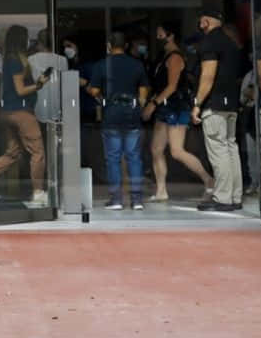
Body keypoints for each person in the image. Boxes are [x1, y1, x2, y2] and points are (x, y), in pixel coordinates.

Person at [193, 6, 261, 214]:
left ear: (206, 22)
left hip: (215, 104)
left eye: (201, 21)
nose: (200, 25)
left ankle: (223, 197)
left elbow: (207, 76)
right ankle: (235, 195)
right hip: (231, 104)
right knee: (230, 147)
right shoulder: (231, 44)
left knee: (218, 150)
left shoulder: (209, 42)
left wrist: (197, 103)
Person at [0, 25, 52, 209]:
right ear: (21, 40)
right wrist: (38, 85)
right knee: (38, 152)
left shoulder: (8, 60)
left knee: (13, 152)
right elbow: (20, 89)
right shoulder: (16, 61)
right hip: (21, 112)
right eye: (26, 38)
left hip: (8, 112)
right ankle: (38, 193)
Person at [143, 22, 211, 203]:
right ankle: (161, 190)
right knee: (156, 149)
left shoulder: (175, 57)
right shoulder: (163, 56)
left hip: (176, 106)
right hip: (164, 106)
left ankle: (208, 180)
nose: (157, 37)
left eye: (160, 33)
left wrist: (153, 103)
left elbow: (172, 86)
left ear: (171, 35)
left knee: (176, 151)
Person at [83, 30, 149, 209]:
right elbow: (144, 91)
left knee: (113, 158)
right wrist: (138, 106)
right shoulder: (137, 64)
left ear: (109, 46)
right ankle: (136, 200)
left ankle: (117, 199)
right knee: (134, 157)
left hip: (112, 113)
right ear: (126, 45)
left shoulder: (102, 65)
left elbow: (95, 91)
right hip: (132, 114)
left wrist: (90, 89)